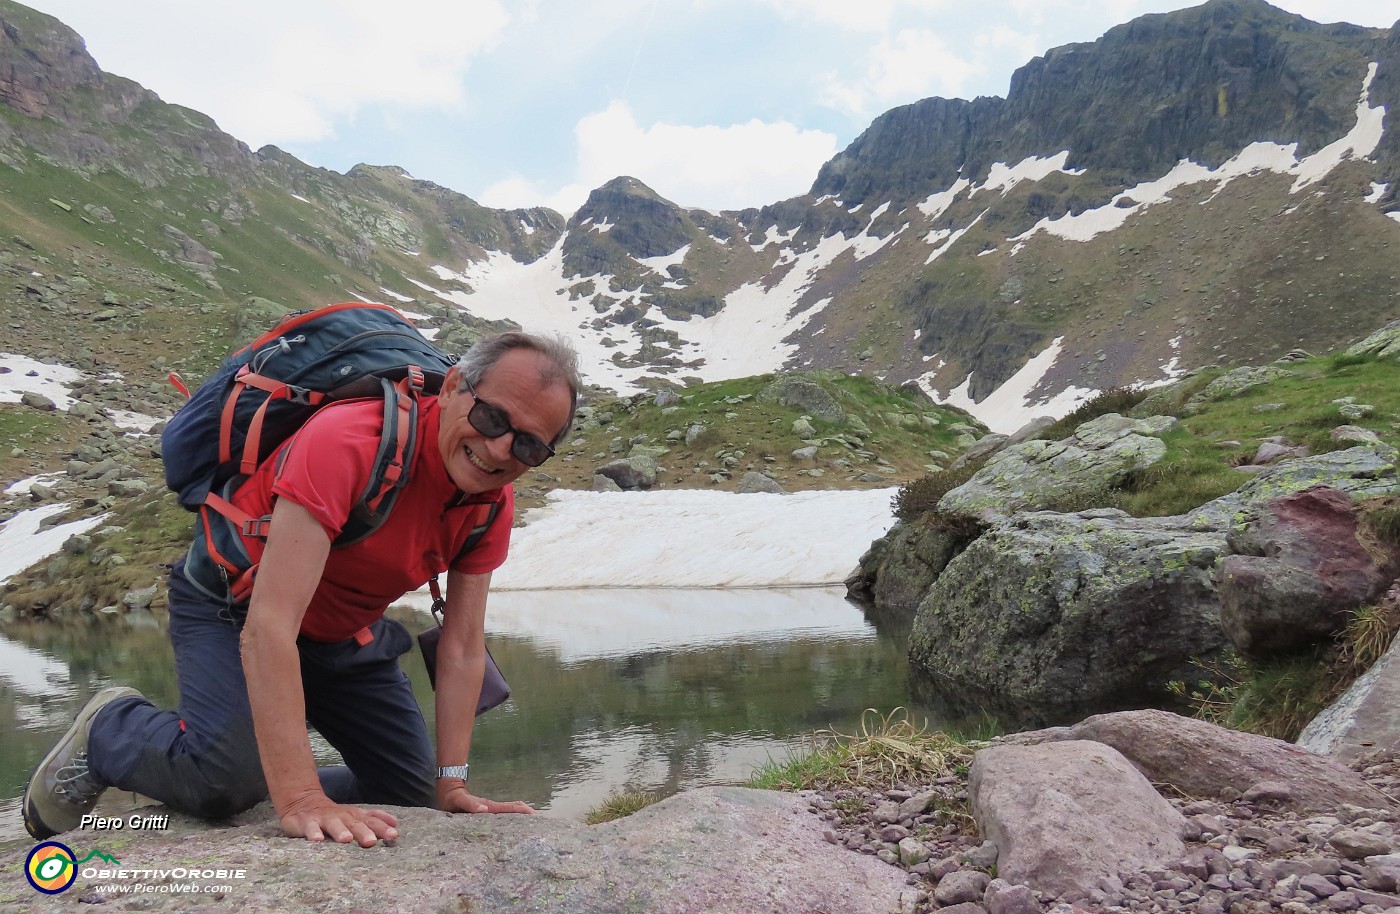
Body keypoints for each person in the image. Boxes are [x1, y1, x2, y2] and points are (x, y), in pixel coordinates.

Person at [23, 331, 580, 847]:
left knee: (413, 800)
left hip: (345, 632)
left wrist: (452, 784)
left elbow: (461, 648)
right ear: (455, 384)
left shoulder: (490, 506)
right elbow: (269, 626)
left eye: (530, 447)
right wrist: (299, 797)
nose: (501, 450)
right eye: (490, 417)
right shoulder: (351, 441)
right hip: (235, 607)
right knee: (224, 783)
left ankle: (253, 774)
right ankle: (110, 729)